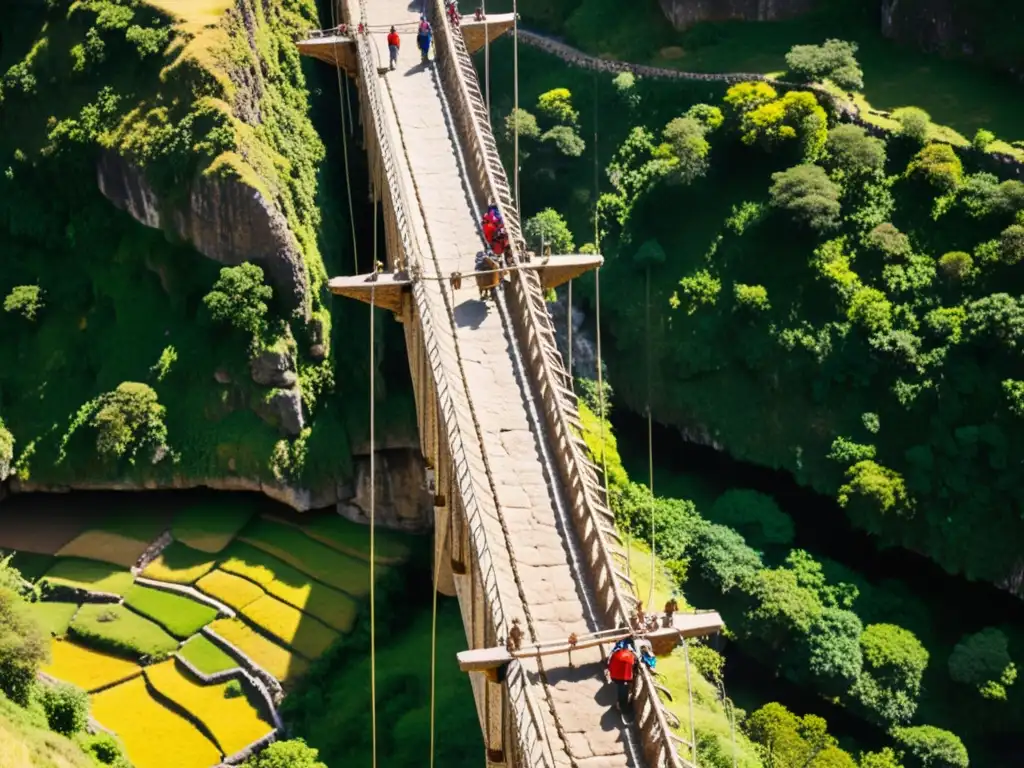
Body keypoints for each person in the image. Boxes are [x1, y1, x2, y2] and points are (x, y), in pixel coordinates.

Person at [607, 639, 638, 712]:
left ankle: (619, 705)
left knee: (620, 691)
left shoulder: (616, 654)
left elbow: (610, 665)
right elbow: (634, 665)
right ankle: (623, 707)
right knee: (624, 692)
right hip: (625, 678)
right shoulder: (630, 656)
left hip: (616, 677)